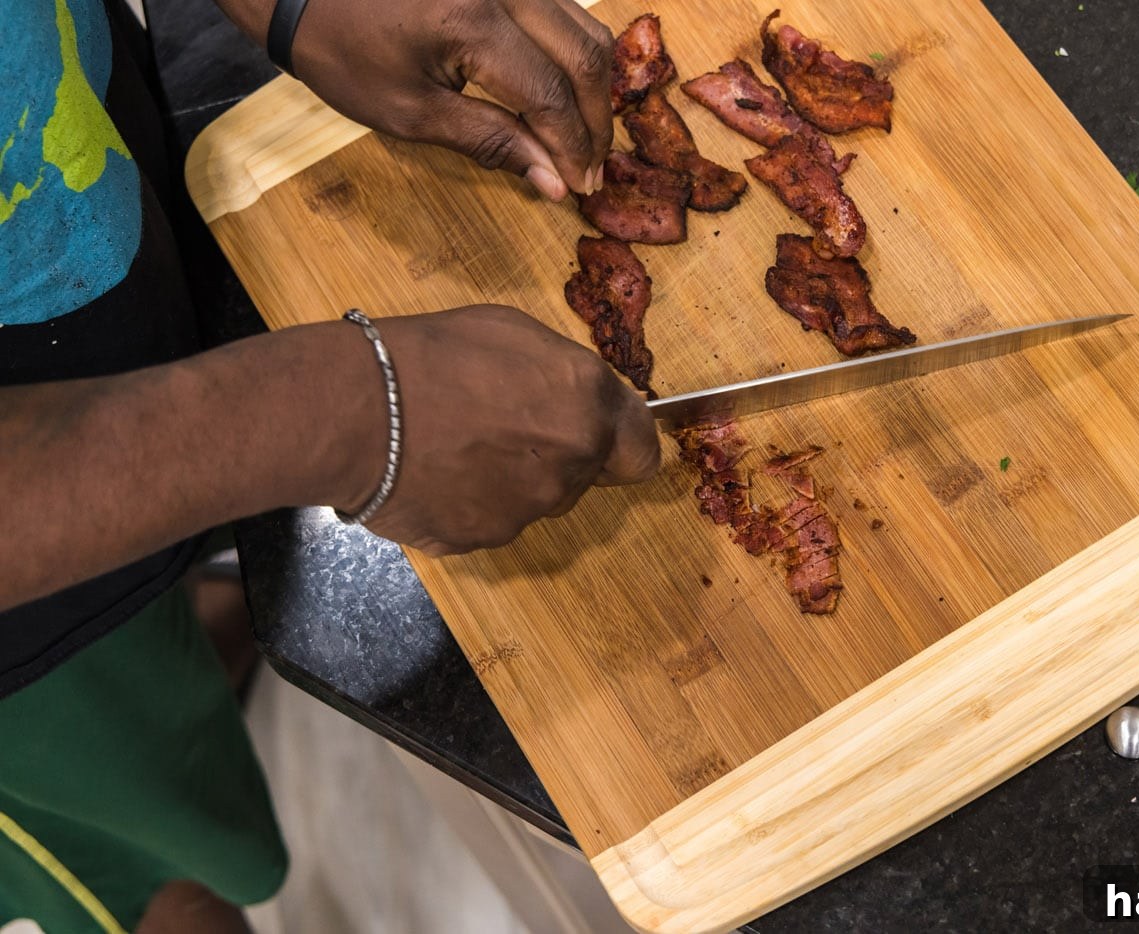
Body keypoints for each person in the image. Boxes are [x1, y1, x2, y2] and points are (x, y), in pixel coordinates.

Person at [0, 0, 658, 930]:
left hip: (82, 180)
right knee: (156, 860)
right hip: (23, 663)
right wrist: (346, 412)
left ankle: (183, 600)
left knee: (165, 593)